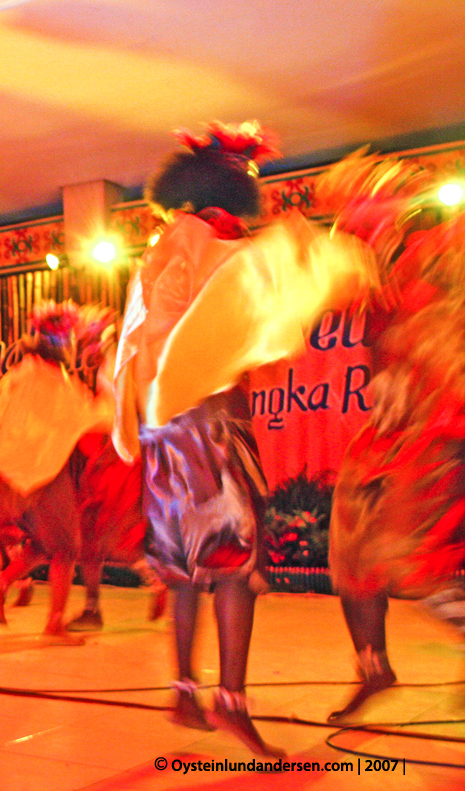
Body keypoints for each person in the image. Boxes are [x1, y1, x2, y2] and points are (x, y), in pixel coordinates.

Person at [111, 122, 367, 756]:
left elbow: (150, 343)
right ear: (222, 198)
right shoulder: (201, 244)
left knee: (183, 571)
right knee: (232, 566)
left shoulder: (163, 247)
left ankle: (182, 693)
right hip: (209, 428)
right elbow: (226, 310)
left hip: (164, 430)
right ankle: (232, 703)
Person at [320, 154, 465, 721]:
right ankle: (373, 666)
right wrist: (385, 376)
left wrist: (427, 363)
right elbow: (377, 339)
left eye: (357, 218)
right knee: (351, 551)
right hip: (394, 429)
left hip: (443, 423)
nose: (350, 232)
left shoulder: (441, 252)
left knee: (416, 561)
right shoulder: (373, 275)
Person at [0, 302, 120, 640]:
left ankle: (0, 584)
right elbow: (95, 417)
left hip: (10, 479)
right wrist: (108, 389)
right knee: (68, 548)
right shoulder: (56, 381)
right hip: (44, 477)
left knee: (44, 546)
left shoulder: (18, 373)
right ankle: (54, 622)